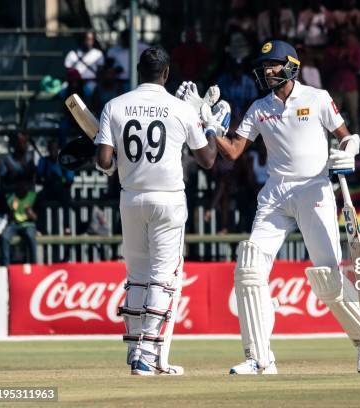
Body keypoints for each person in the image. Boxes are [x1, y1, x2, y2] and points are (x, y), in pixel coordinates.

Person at [213, 40, 360, 375]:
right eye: (263, 68)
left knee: (328, 279)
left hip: (314, 190)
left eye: (272, 65)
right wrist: (209, 128)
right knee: (249, 269)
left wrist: (348, 150)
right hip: (275, 194)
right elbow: (232, 152)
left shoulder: (317, 98)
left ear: (291, 65)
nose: (267, 72)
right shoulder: (259, 107)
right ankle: (259, 359)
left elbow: (346, 136)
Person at [94, 47, 220, 375]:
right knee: (163, 278)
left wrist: (109, 162)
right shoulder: (179, 108)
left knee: (136, 276)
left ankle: (136, 347)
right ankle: (147, 355)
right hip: (168, 200)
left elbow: (104, 162)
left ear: (139, 71)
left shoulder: (114, 106)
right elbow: (208, 159)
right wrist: (211, 126)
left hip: (131, 198)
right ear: (166, 74)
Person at [324, 27, 360, 134]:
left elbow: (358, 66)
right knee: (332, 121)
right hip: (335, 87)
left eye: (345, 35)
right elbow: (327, 67)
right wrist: (340, 59)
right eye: (341, 35)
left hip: (350, 88)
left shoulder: (355, 48)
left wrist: (346, 59)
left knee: (354, 118)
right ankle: (328, 149)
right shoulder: (330, 50)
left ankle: (356, 149)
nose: (343, 37)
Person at [0, 175, 37, 266]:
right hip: (14, 225)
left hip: (28, 225)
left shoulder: (33, 197)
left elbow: (36, 218)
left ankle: (34, 265)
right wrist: (12, 210)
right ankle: (6, 266)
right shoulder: (10, 197)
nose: (22, 187)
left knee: (31, 236)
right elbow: (7, 217)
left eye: (24, 185)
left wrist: (31, 213)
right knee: (4, 237)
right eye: (20, 185)